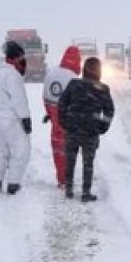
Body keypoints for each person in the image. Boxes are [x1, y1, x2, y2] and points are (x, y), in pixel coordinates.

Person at [56, 56, 114, 202]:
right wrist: (102, 127)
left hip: (72, 129)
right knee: (88, 163)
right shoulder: (103, 89)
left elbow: (62, 103)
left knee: (70, 160)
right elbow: (109, 110)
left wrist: (64, 122)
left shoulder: (74, 84)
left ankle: (69, 188)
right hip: (91, 131)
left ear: (84, 69)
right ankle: (86, 192)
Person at [0, 41, 33, 195]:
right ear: (16, 56)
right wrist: (25, 118)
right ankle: (13, 184)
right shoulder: (12, 75)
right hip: (12, 121)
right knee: (19, 152)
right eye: (21, 57)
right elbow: (18, 99)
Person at [41, 45, 82, 186]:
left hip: (53, 113)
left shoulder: (51, 73)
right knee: (68, 148)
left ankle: (61, 177)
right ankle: (66, 179)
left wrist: (50, 113)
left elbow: (45, 96)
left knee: (57, 147)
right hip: (68, 117)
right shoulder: (74, 78)